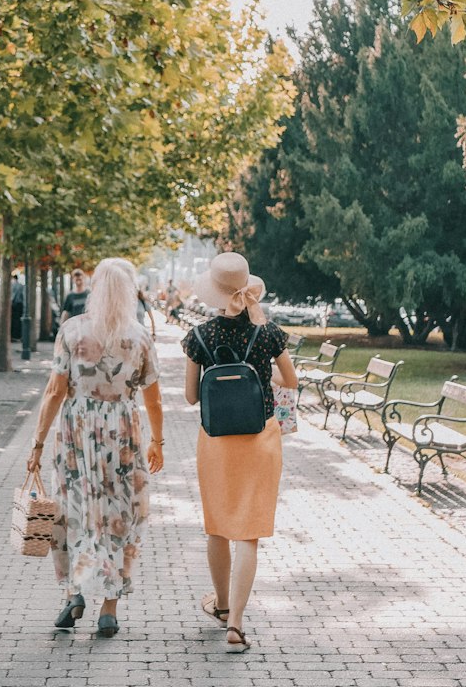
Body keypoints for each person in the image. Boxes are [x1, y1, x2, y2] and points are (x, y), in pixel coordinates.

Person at [28, 257, 163, 637]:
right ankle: (110, 608)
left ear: (95, 288)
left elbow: (55, 391)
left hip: (76, 433)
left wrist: (37, 443)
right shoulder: (140, 337)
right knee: (119, 515)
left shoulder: (72, 330)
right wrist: (159, 442)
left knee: (71, 510)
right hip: (122, 435)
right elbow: (153, 399)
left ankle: (74, 593)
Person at [182, 253, 298, 655]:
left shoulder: (198, 337)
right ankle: (236, 624)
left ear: (214, 291)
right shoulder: (267, 333)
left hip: (215, 441)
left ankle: (221, 604)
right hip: (260, 438)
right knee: (248, 531)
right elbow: (291, 380)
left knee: (217, 525)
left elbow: (191, 396)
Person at [10, 274, 25, 341]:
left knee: (13, 321)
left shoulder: (12, 285)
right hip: (20, 305)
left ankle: (14, 336)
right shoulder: (21, 286)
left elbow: (12, 296)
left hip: (14, 305)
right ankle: (18, 336)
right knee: (19, 321)